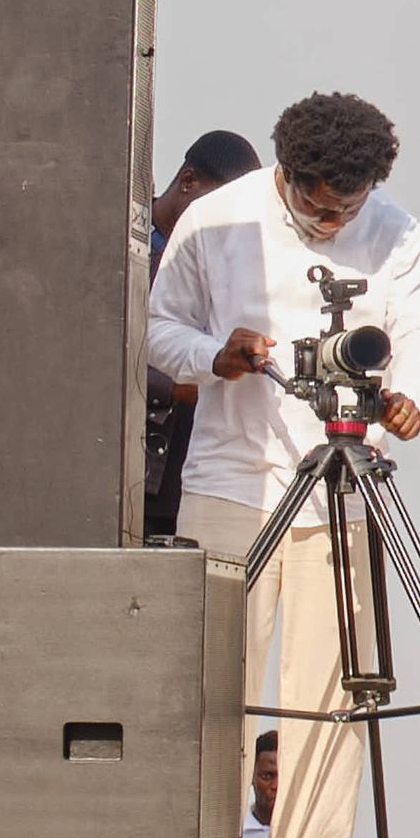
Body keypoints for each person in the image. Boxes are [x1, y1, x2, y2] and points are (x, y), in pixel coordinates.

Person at [147, 89, 420, 838]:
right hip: (230, 480)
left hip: (345, 485)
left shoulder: (400, 232)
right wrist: (218, 355)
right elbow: (156, 327)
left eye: (344, 208)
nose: (329, 220)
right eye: (315, 204)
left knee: (331, 687)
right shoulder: (218, 220)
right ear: (285, 172)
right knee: (212, 682)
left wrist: (411, 393)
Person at [138, 125, 258, 538]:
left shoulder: (230, 258)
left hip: (191, 474)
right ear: (188, 182)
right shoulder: (117, 245)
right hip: (124, 472)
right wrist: (173, 387)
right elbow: (90, 350)